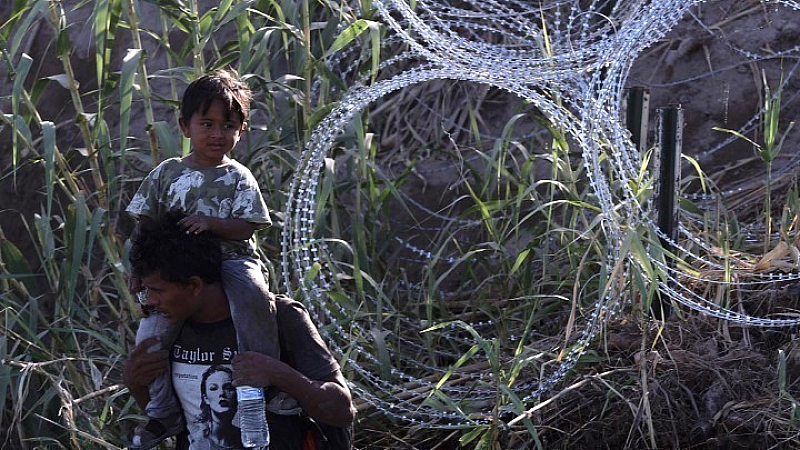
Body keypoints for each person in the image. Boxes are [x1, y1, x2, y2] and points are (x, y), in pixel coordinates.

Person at [125, 68, 280, 450]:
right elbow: (144, 221)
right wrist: (139, 272)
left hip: (230, 260)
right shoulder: (167, 173)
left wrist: (212, 223)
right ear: (185, 126)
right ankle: (162, 413)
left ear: (241, 132)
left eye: (227, 125)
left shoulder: (239, 178)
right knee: (149, 336)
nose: (216, 134)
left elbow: (248, 226)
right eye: (206, 123)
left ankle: (267, 386)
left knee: (256, 297)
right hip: (176, 272)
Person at [123, 213, 356, 449]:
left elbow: (341, 411)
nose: (149, 301)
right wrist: (136, 383)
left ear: (194, 286)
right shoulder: (168, 334)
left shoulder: (279, 319)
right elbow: (182, 422)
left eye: (157, 290)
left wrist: (277, 374)